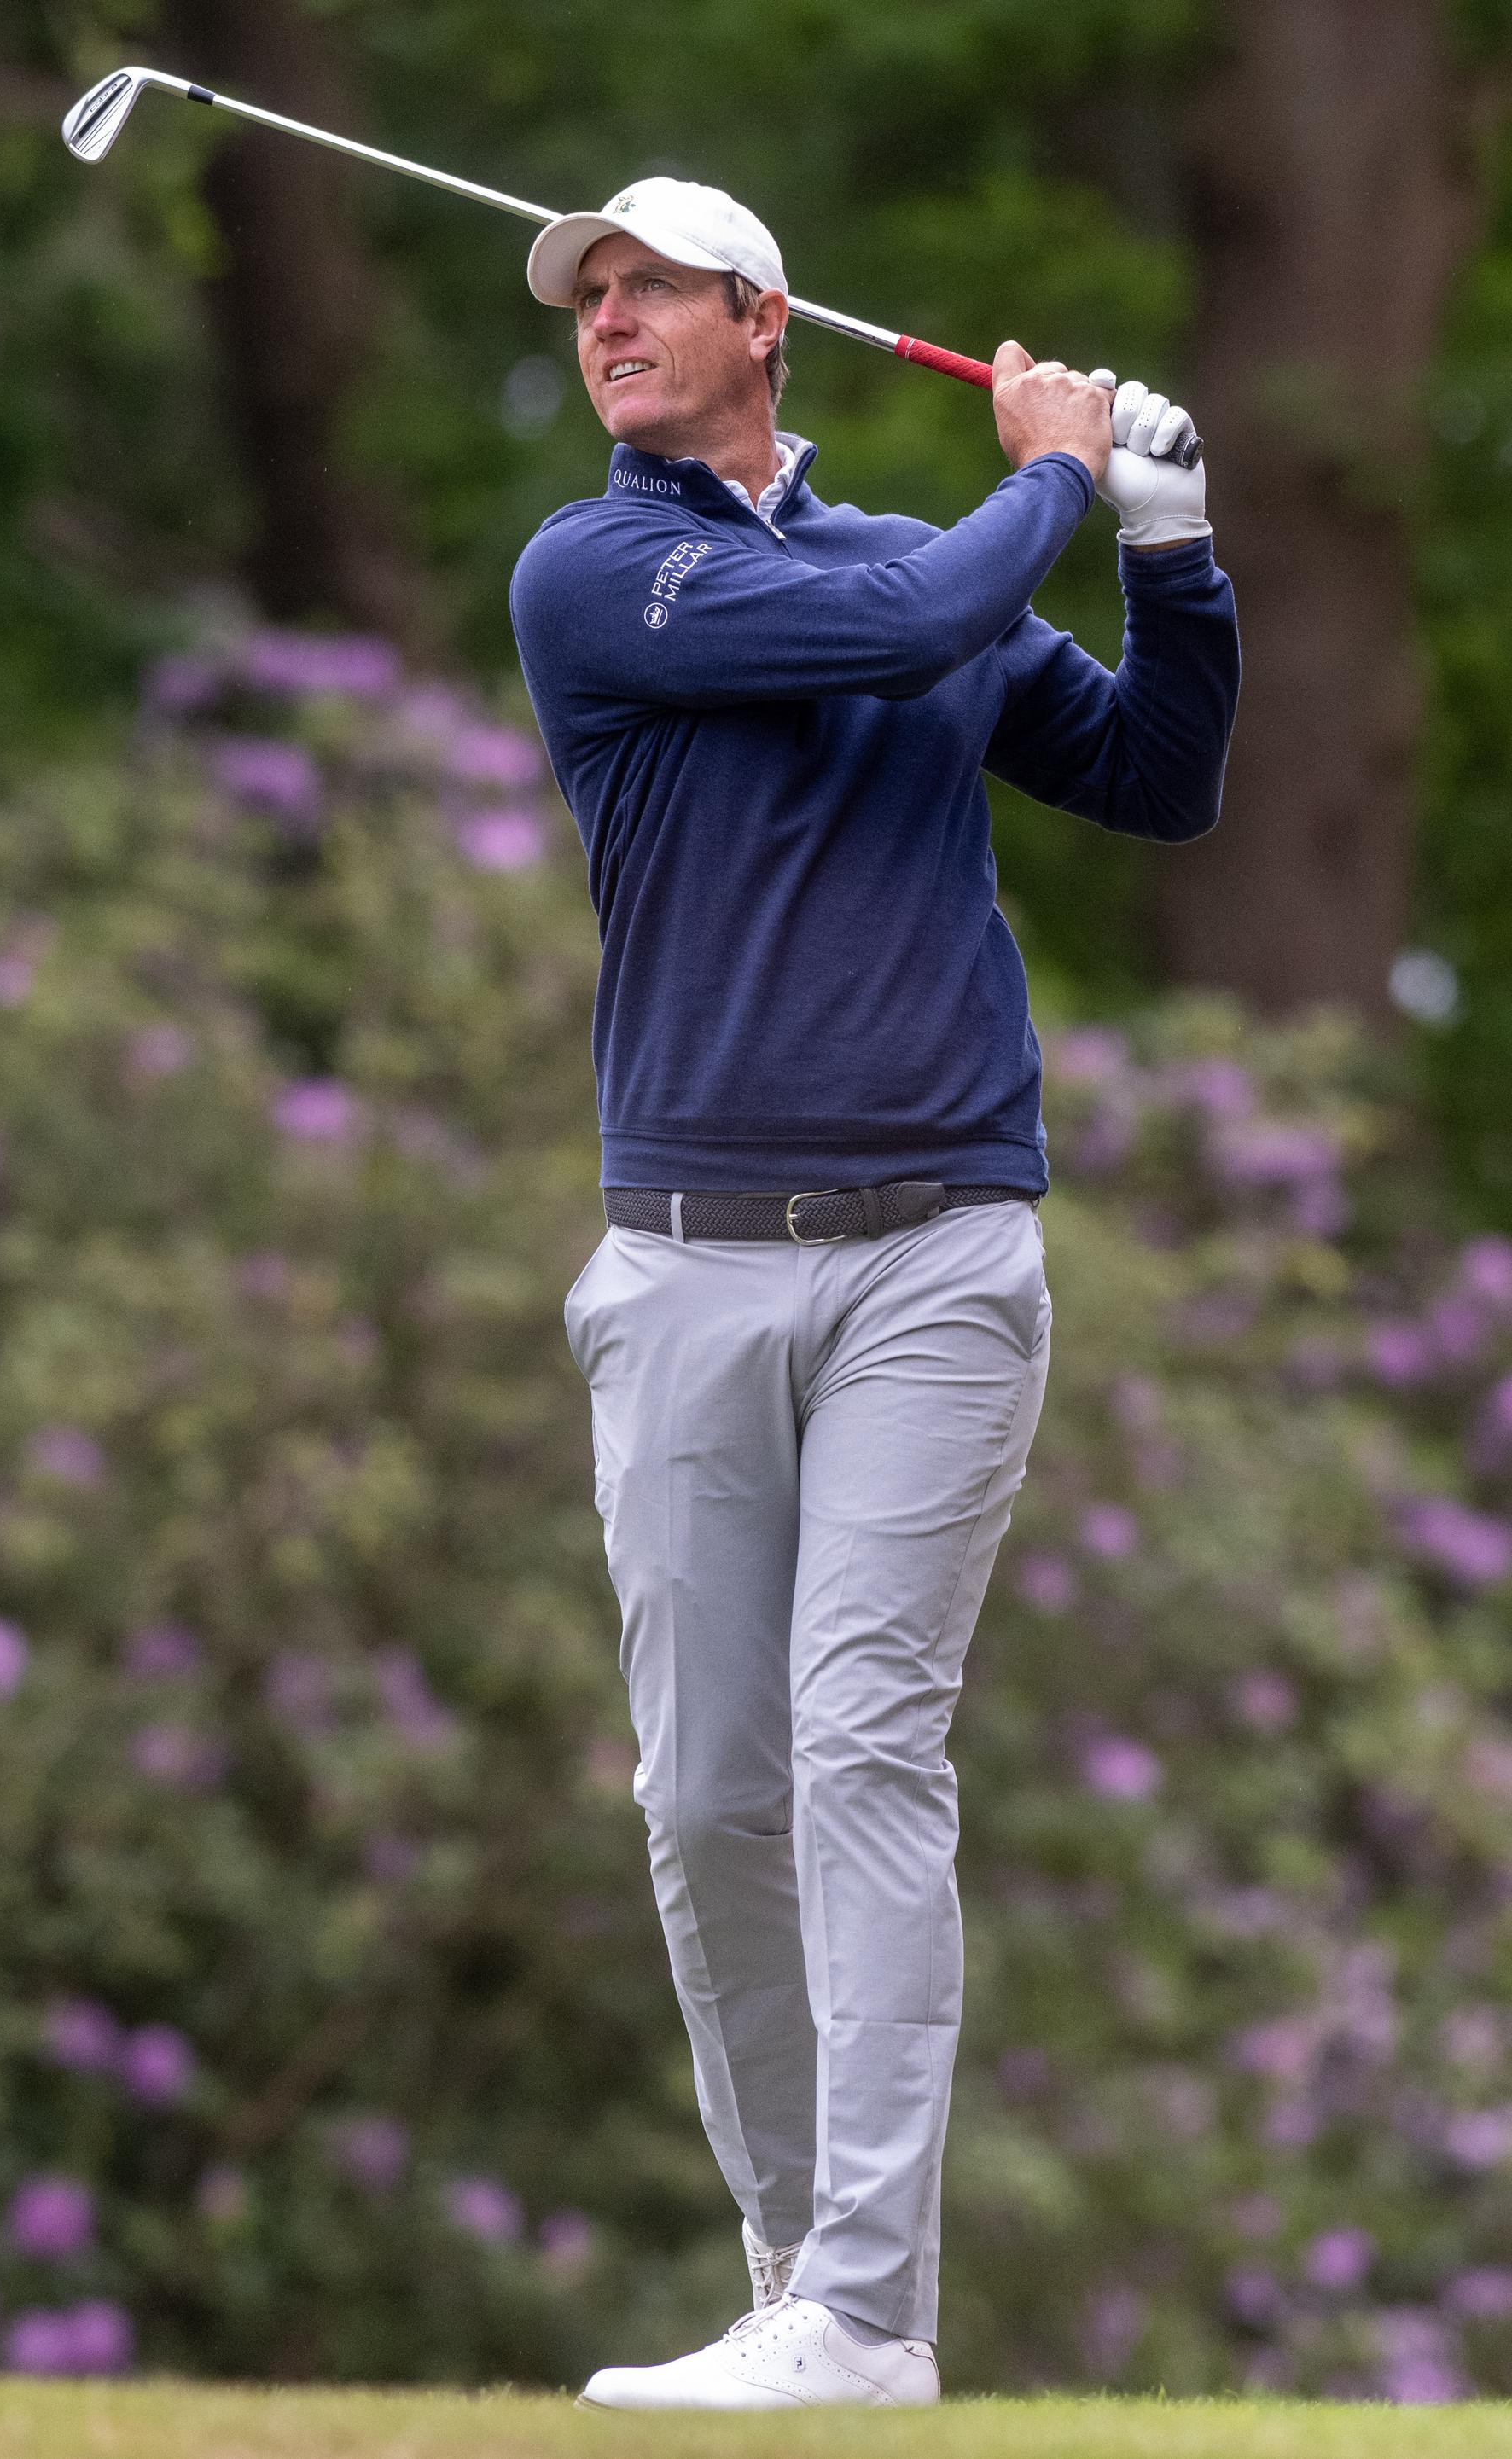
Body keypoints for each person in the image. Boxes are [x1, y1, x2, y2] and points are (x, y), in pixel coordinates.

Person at [510, 177, 1240, 2411]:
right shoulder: (604, 571)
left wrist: (1171, 543)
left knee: (857, 1746)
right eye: (587, 300)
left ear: (766, 318)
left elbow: (1158, 772)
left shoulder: (906, 570)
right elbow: (890, 629)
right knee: (710, 1787)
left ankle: (864, 2311)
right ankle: (800, 2287)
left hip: (938, 1253)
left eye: (648, 286)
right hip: (683, 1275)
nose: (608, 321)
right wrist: (1047, 469)